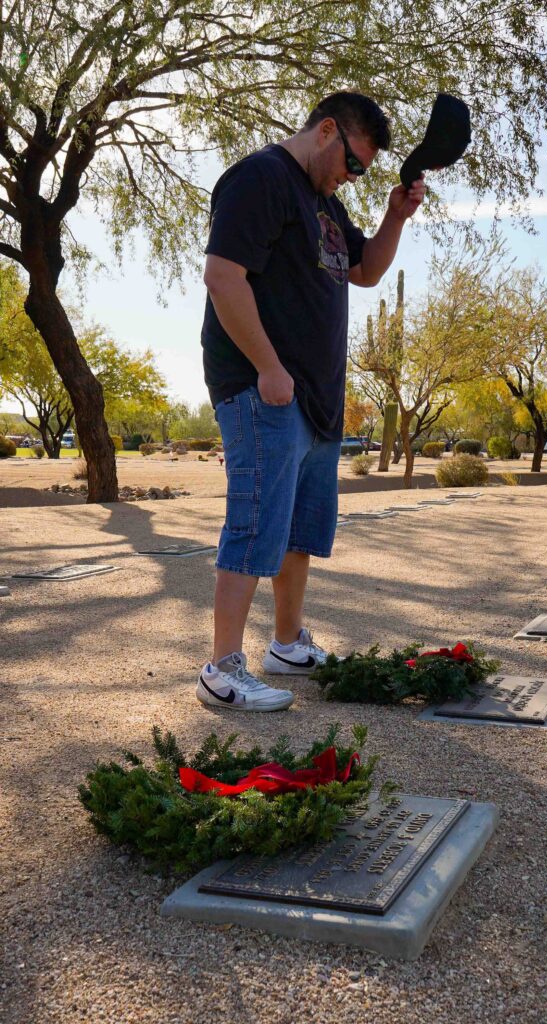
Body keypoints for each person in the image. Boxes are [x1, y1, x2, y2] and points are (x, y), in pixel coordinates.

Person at [198, 92, 425, 711]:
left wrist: (394, 216)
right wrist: (268, 367)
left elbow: (367, 270)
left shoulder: (325, 204)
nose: (355, 176)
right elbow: (223, 275)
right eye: (354, 163)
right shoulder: (261, 178)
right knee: (254, 524)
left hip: (315, 396)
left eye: (365, 172)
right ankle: (221, 670)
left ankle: (287, 643)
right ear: (328, 131)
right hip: (262, 386)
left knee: (299, 530)